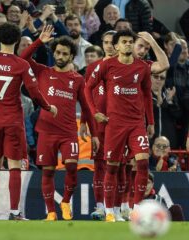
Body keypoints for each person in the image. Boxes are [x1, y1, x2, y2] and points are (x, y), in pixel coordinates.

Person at [0, 22, 57, 220]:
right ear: (17, 40)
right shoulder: (21, 65)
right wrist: (49, 106)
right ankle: (14, 212)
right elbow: (34, 92)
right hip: (13, 121)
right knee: (15, 165)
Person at [20, 26, 97, 221]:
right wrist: (39, 42)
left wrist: (89, 129)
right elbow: (23, 59)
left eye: (65, 53)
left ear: (71, 56)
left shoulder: (77, 79)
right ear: (54, 53)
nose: (60, 56)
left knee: (72, 166)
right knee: (48, 171)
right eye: (58, 52)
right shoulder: (43, 72)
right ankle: (51, 212)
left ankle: (65, 202)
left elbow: (87, 107)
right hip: (46, 131)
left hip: (68, 131)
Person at [85, 29, 154, 222]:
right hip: (114, 124)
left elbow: (148, 95)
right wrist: (94, 112)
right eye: (124, 41)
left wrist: (151, 121)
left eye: (130, 41)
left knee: (142, 162)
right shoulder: (107, 66)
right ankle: (109, 211)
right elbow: (87, 87)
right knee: (112, 167)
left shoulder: (142, 67)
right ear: (116, 46)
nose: (128, 45)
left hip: (136, 123)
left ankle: (137, 208)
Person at [80, 30, 116, 221]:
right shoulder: (92, 68)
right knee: (100, 165)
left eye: (112, 42)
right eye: (106, 42)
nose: (109, 45)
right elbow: (87, 97)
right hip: (99, 125)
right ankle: (100, 206)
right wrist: (85, 121)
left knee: (119, 166)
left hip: (120, 124)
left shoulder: (126, 67)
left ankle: (119, 207)